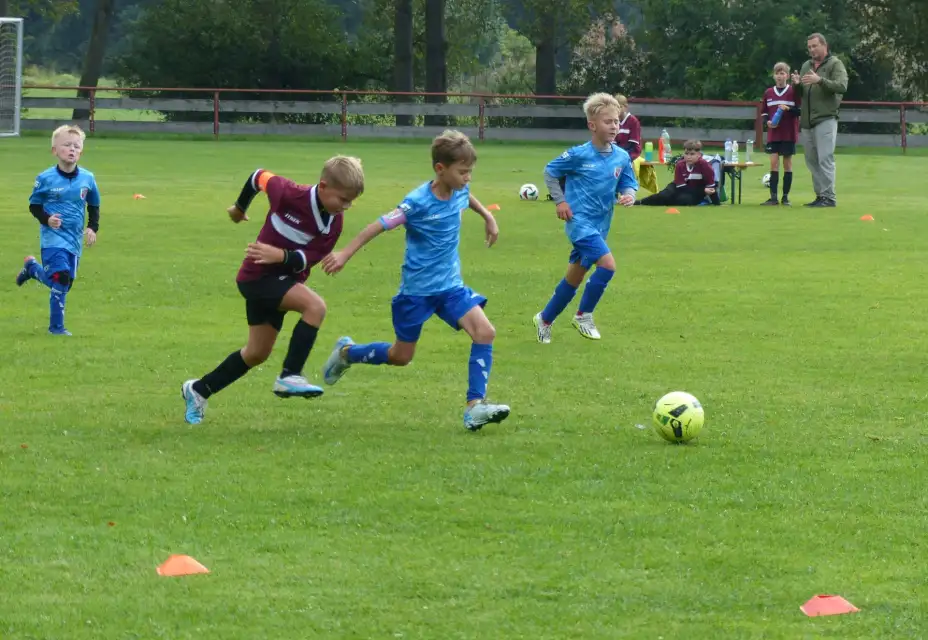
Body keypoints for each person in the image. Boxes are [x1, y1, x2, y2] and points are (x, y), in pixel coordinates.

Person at [318, 130, 510, 432]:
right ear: (440, 169)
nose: (467, 178)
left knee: (485, 332)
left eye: (470, 171)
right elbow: (377, 226)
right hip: (416, 294)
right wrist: (344, 254)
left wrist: (488, 216)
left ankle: (475, 407)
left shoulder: (459, 189)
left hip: (451, 288)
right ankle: (347, 353)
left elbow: (467, 197)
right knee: (401, 356)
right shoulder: (417, 202)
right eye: (462, 172)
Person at [180, 157, 365, 425]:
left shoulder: (334, 222)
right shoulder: (288, 193)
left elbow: (309, 258)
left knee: (256, 353)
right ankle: (290, 375)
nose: (346, 206)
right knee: (315, 307)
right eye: (343, 199)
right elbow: (258, 176)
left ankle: (198, 390)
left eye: (351, 201)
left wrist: (281, 255)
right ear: (323, 186)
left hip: (281, 279)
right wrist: (239, 207)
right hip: (257, 277)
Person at [533, 92, 638, 344]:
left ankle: (545, 319)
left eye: (616, 121)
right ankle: (583, 316)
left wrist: (629, 195)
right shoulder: (579, 154)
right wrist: (560, 201)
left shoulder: (622, 157)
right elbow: (550, 171)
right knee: (608, 265)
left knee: (575, 278)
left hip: (601, 225)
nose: (614, 126)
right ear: (592, 125)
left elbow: (628, 183)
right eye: (607, 122)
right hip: (579, 223)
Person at [16, 125, 101, 336]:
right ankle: (56, 328)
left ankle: (32, 269)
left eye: (76, 146)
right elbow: (34, 205)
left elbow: (94, 205)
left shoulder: (88, 178)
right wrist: (47, 219)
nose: (72, 149)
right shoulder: (45, 178)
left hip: (74, 239)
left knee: (65, 283)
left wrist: (92, 227)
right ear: (55, 150)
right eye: (66, 145)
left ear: (81, 151)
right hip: (52, 238)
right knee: (61, 278)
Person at [791, 32, 848, 207]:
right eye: (809, 47)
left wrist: (820, 80)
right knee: (812, 161)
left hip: (825, 118)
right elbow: (800, 94)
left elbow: (842, 86)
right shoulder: (806, 65)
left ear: (824, 45)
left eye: (815, 46)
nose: (812, 50)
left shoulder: (835, 64)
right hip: (807, 121)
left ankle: (829, 197)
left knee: (825, 158)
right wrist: (796, 84)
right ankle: (820, 196)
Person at [761, 62, 801, 206]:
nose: (779, 76)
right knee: (773, 164)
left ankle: (785, 197)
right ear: (774, 75)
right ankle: (773, 198)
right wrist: (768, 123)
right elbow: (764, 113)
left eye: (782, 73)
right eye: (777, 73)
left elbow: (799, 111)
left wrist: (788, 109)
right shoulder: (768, 93)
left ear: (787, 76)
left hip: (788, 134)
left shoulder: (793, 91)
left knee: (787, 164)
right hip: (774, 134)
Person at [634, 140, 718, 207]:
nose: (688, 157)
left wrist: (717, 204)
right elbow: (681, 187)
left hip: (695, 191)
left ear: (699, 155)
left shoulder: (705, 166)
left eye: (692, 154)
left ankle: (665, 202)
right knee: (664, 195)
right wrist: (703, 191)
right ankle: (641, 202)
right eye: (686, 154)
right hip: (679, 186)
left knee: (685, 200)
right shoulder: (680, 164)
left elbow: (711, 187)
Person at [613, 94, 641, 161]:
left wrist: (621, 154)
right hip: (617, 154)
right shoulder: (614, 122)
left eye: (619, 107)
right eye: (614, 108)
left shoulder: (633, 121)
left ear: (625, 107)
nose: (617, 110)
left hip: (632, 154)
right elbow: (613, 143)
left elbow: (633, 145)